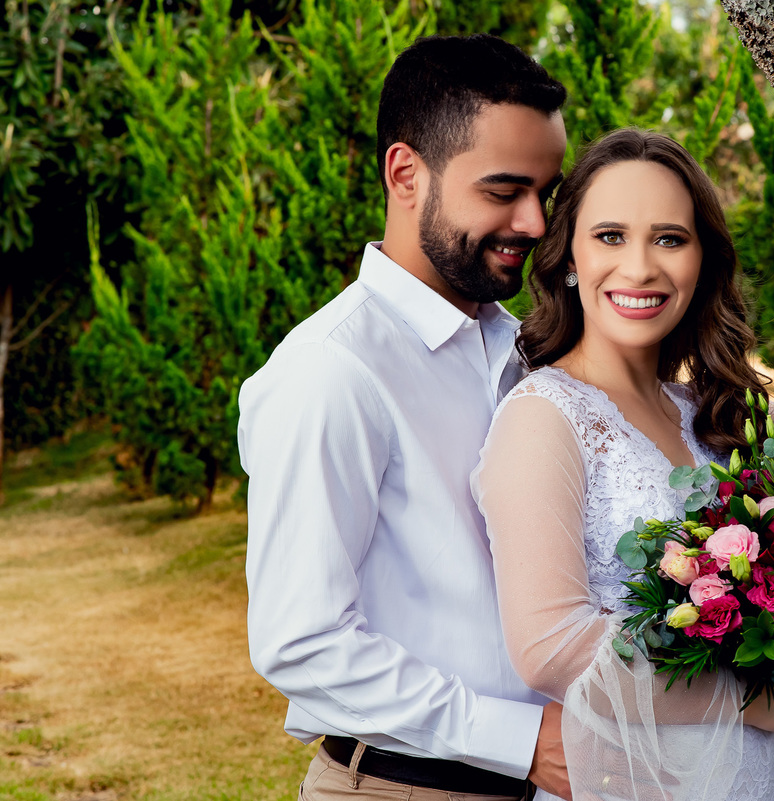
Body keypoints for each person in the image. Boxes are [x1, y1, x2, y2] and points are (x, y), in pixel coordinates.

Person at [472, 128, 774, 800]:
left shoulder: (716, 413)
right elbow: (551, 644)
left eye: (670, 238)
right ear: (569, 257)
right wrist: (750, 699)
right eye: (610, 235)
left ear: (703, 261)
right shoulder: (542, 415)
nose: (639, 267)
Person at [238, 35, 573, 800]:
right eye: (503, 190)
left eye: (545, 193)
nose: (532, 222)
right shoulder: (332, 369)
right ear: (405, 173)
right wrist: (521, 741)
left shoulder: (526, 350)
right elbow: (302, 641)